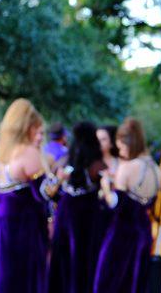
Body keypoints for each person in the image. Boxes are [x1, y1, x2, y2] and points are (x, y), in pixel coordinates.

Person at [0, 98, 54, 293]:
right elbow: (42, 194)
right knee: (17, 275)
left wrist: (0, 199)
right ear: (28, 126)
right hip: (21, 222)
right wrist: (55, 182)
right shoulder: (29, 153)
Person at [94, 117, 161, 293]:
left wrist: (105, 187)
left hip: (121, 234)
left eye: (122, 145)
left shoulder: (127, 168)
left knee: (110, 281)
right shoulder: (157, 170)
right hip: (144, 232)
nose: (120, 149)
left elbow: (116, 204)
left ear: (129, 143)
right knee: (136, 282)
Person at [48, 121, 107, 293]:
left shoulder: (66, 160)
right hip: (88, 212)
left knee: (64, 254)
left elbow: (52, 190)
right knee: (84, 255)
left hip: (66, 209)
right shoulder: (98, 164)